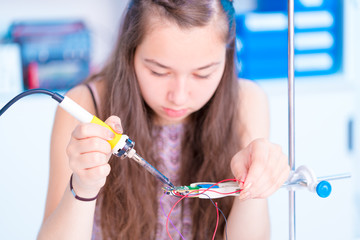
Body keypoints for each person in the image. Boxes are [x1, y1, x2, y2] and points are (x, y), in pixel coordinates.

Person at [38, 0, 290, 239]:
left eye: (203, 74)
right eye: (158, 71)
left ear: (228, 56)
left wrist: (253, 189)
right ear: (131, 52)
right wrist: (83, 187)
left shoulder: (246, 102)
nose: (178, 97)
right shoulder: (86, 105)